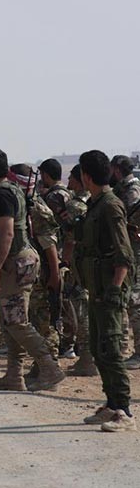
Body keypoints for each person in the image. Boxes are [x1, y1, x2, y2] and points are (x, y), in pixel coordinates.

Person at [0, 149, 64, 392]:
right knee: (10, 320)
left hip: (13, 264)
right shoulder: (13, 190)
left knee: (16, 322)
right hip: (19, 261)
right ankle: (14, 375)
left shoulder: (1, 195)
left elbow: (7, 234)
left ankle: (50, 368)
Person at [78, 150, 135, 432]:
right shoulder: (96, 204)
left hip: (109, 289)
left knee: (111, 348)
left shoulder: (110, 206)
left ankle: (124, 411)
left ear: (86, 176)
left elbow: (124, 254)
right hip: (96, 287)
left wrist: (115, 288)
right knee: (98, 348)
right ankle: (111, 404)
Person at [10, 164, 63, 386]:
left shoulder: (36, 208)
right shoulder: (22, 204)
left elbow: (49, 245)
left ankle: (51, 369)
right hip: (31, 272)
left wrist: (55, 275)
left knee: (44, 321)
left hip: (44, 273)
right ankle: (39, 367)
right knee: (32, 317)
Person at [61, 165, 97, 376]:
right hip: (92, 264)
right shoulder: (95, 201)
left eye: (72, 178)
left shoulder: (75, 205)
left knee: (81, 311)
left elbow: (70, 239)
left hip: (77, 266)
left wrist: (64, 262)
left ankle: (87, 359)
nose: (69, 182)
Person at [39, 158, 76, 358]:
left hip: (56, 253)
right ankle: (69, 342)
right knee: (67, 299)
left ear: (46, 175)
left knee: (57, 301)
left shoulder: (53, 197)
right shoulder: (68, 194)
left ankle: (64, 342)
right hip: (66, 254)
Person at [110, 155, 140, 367]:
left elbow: (130, 221)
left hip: (134, 253)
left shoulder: (132, 190)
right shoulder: (123, 189)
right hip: (127, 251)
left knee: (135, 302)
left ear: (117, 170)